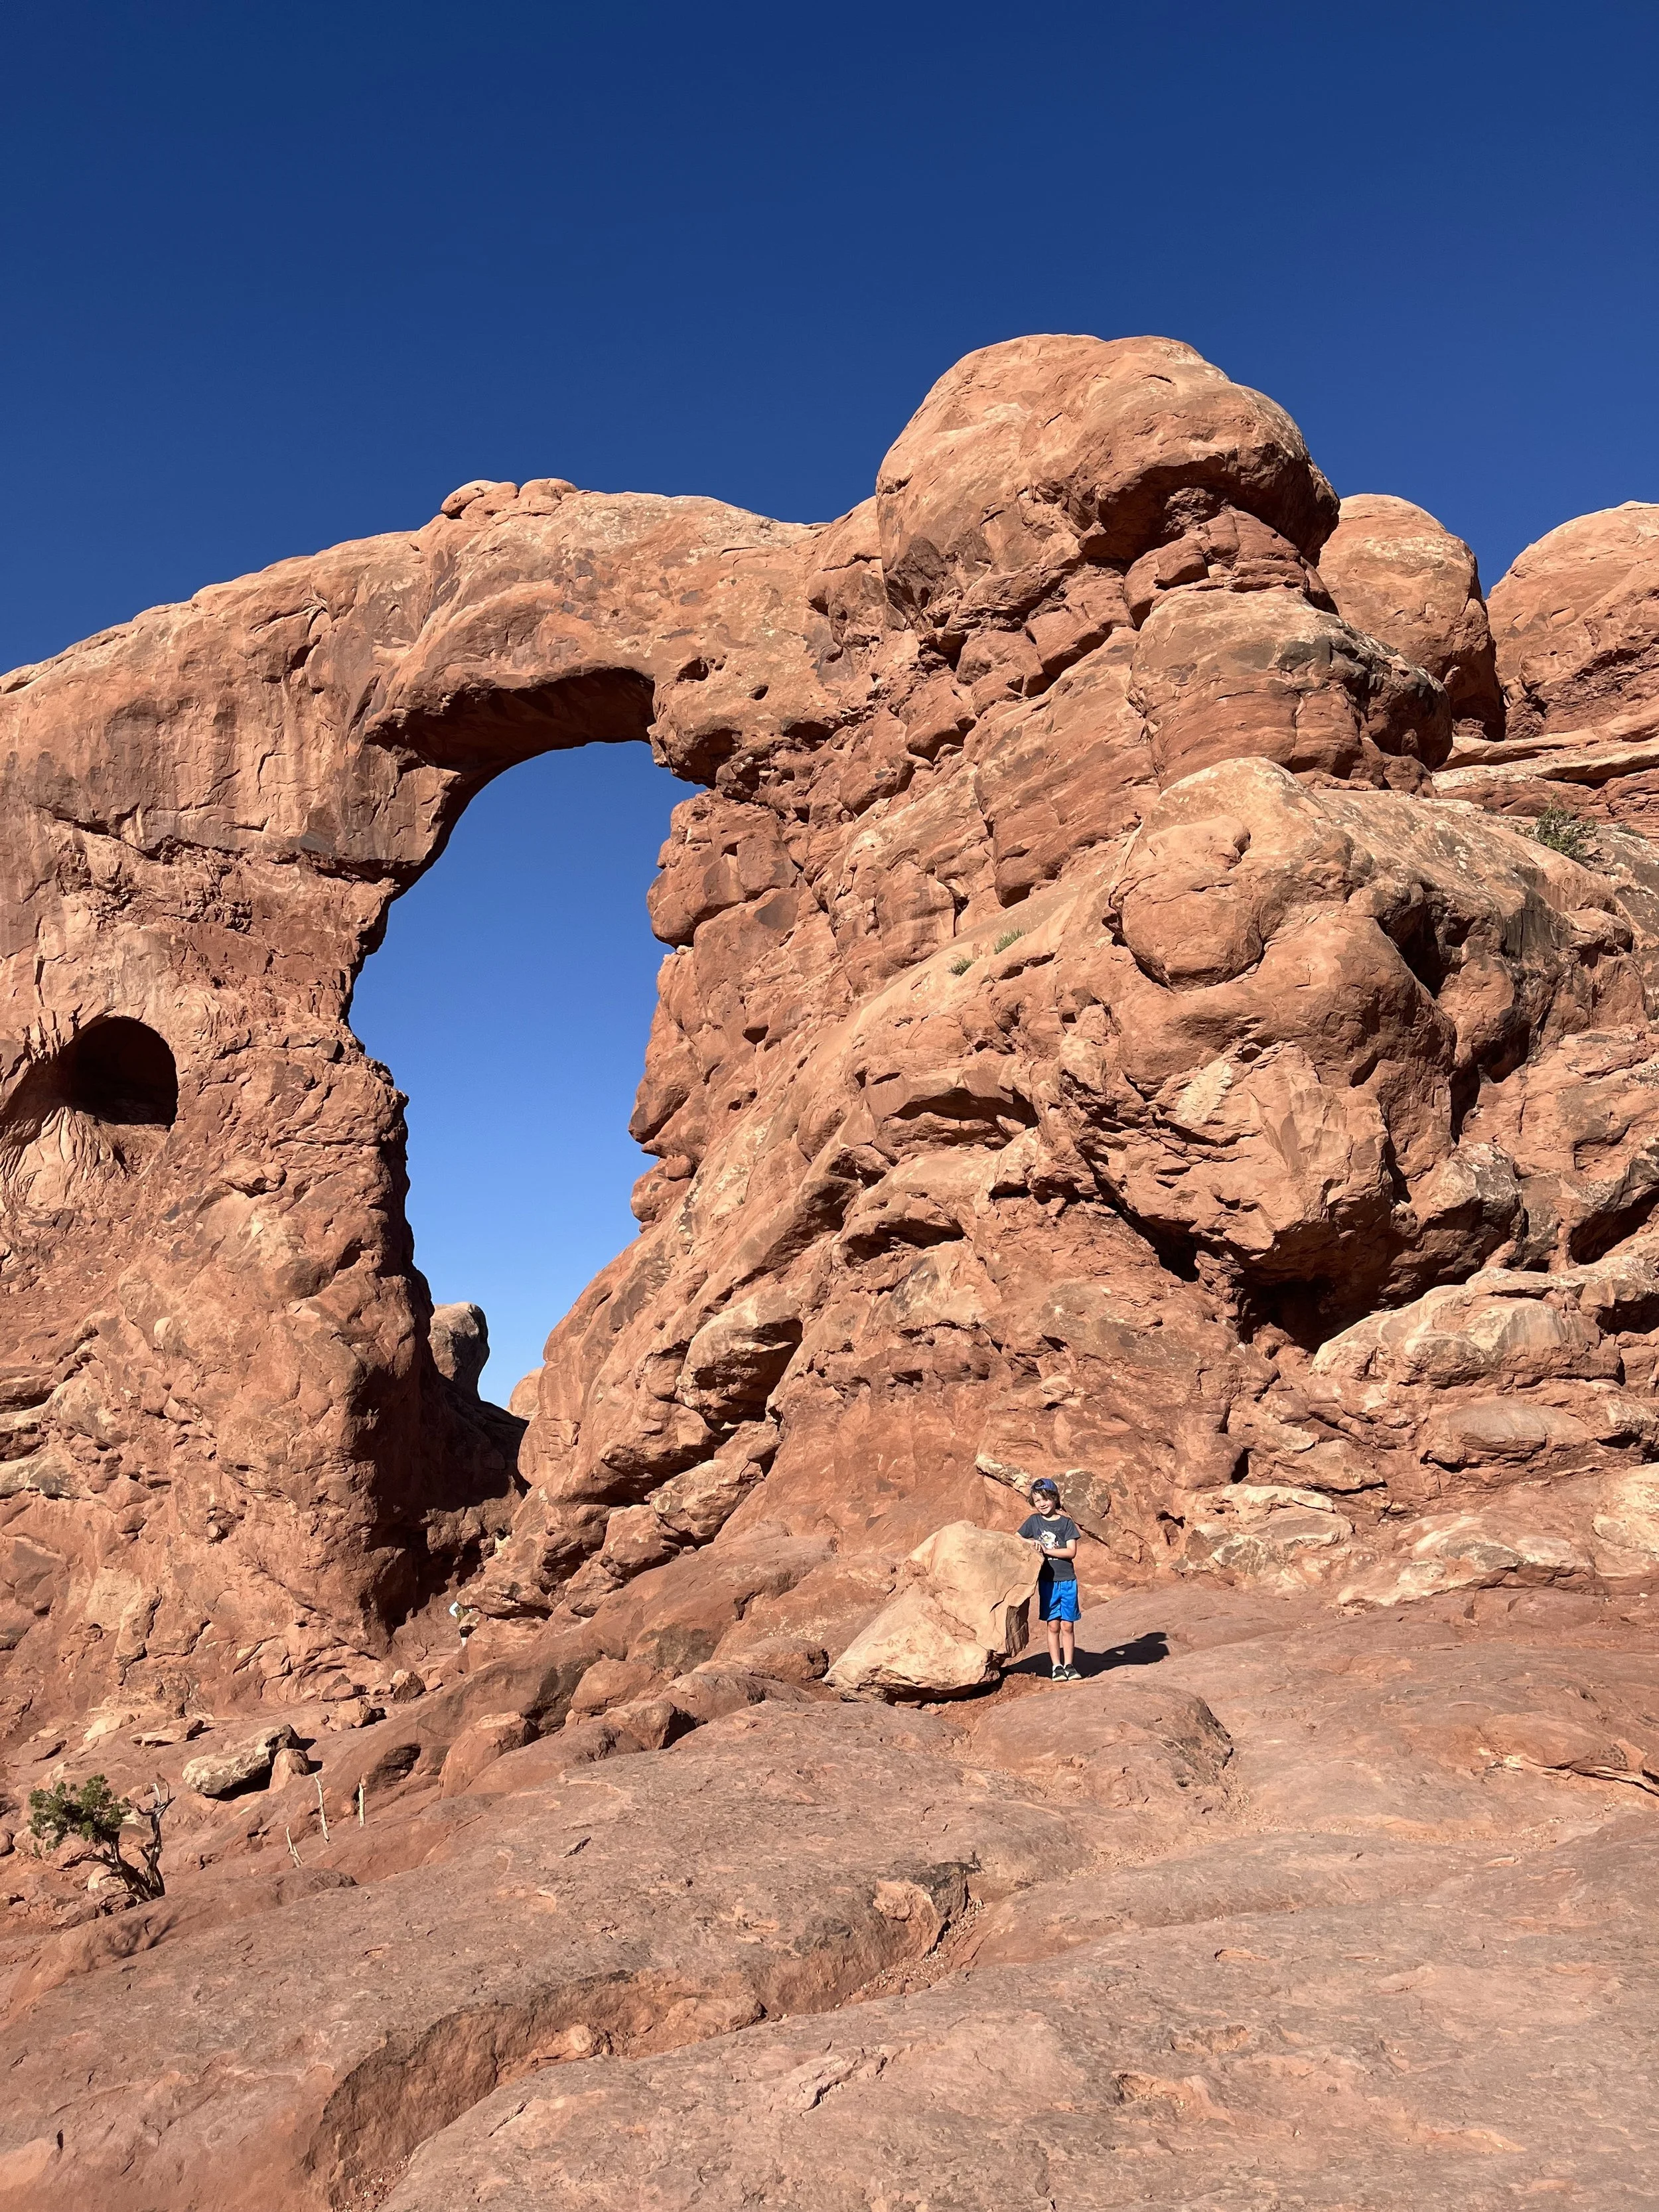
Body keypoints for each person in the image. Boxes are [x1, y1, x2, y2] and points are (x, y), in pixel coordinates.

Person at [1019, 1477, 1082, 1680]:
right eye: (1037, 1501)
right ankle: (1057, 1667)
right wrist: (1032, 1544)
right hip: (1047, 1582)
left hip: (1067, 1580)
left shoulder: (1066, 1523)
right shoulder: (1033, 1522)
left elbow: (1071, 1551)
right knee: (1053, 1624)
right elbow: (1017, 1538)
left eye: (1045, 1499)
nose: (1042, 1504)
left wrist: (1047, 1549)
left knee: (1068, 1625)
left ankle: (1070, 1665)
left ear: (1054, 1499)